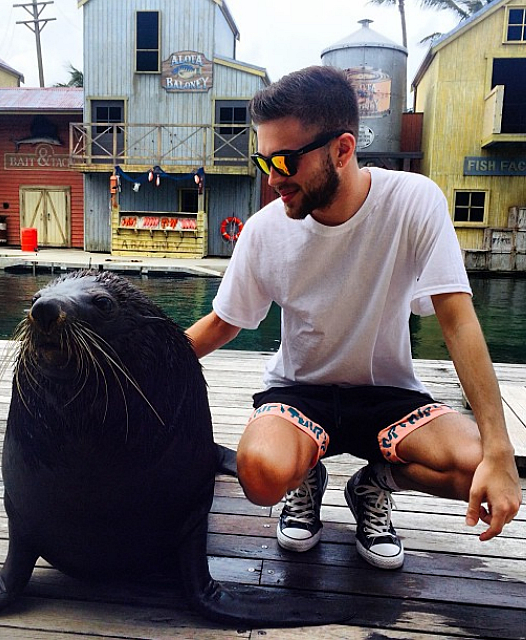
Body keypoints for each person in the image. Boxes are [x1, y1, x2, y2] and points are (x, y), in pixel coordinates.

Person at [186, 65, 522, 570]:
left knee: (483, 466)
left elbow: (458, 323)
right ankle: (306, 476)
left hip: (389, 396)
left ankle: (373, 485)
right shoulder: (263, 231)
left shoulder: (413, 202)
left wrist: (499, 447)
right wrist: (131, 362)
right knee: (259, 474)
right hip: (300, 394)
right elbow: (222, 323)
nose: (273, 178)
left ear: (342, 150)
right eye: (263, 160)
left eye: (284, 161)